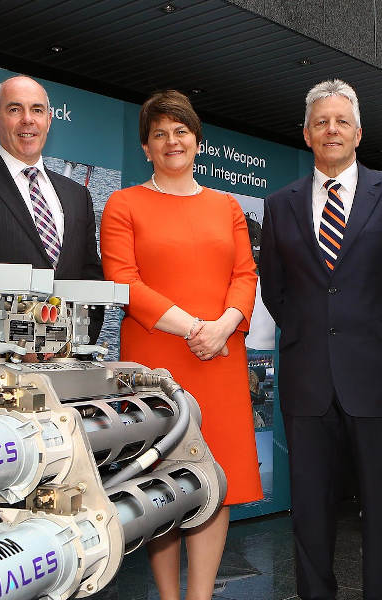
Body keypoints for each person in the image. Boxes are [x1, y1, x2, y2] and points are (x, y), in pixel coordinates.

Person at [100, 90, 262, 600]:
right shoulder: (123, 204)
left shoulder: (227, 206)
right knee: (160, 480)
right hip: (156, 364)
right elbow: (124, 281)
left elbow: (246, 274)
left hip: (220, 359)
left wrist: (223, 325)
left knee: (220, 478)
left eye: (181, 131)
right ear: (146, 148)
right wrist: (196, 327)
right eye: (159, 134)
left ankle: (200, 596)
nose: (172, 141)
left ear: (198, 142)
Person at [260, 79, 382, 600]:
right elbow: (276, 290)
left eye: (341, 121)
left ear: (358, 133)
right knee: (310, 510)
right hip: (308, 381)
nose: (331, 129)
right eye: (321, 122)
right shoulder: (278, 204)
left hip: (380, 381)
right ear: (306, 134)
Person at [0, 75, 103, 341]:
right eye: (15, 109)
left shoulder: (77, 196)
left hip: (66, 360)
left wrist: (71, 345)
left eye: (37, 110)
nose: (28, 119)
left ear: (48, 120)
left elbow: (92, 282)